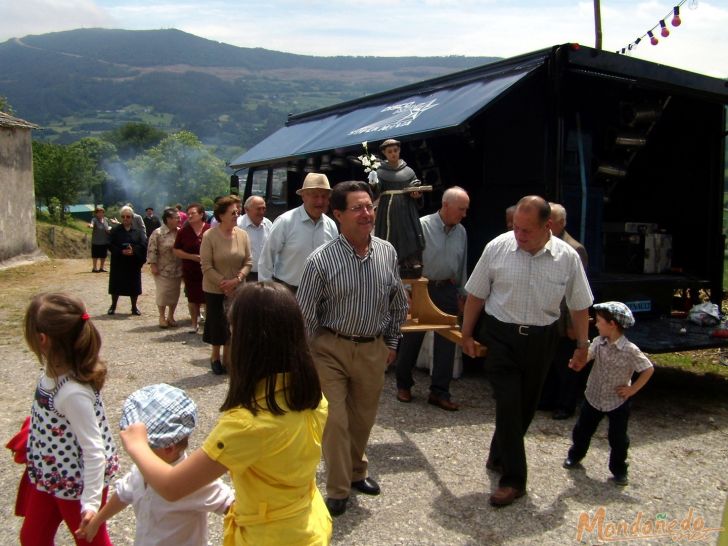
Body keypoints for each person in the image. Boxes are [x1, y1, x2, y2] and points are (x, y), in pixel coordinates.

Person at [118, 283, 332, 545]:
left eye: (233, 330)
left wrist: (137, 445)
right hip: (308, 523)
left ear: (249, 341)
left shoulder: (246, 425)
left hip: (268, 536)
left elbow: (171, 487)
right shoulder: (311, 397)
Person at [460, 195, 593, 507]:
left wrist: (583, 345)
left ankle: (498, 453)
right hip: (500, 336)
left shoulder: (567, 257)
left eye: (526, 230)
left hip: (542, 339)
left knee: (526, 407)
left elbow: (579, 304)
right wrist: (466, 333)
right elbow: (476, 294)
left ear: (548, 227)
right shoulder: (497, 247)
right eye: (515, 227)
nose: (518, 235)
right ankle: (514, 479)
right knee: (508, 402)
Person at [297, 181, 408, 517]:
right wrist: (306, 358)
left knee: (362, 420)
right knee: (335, 420)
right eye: (357, 208)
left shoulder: (387, 252)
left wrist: (391, 342)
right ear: (339, 215)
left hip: (372, 348)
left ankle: (358, 472)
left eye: (369, 207)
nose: (366, 214)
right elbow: (305, 313)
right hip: (329, 349)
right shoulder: (320, 261)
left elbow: (397, 303)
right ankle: (338, 488)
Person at [77, 384, 234, 545]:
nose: (136, 454)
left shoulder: (192, 481)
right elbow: (123, 494)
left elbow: (231, 504)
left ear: (168, 448)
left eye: (142, 447)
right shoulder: (141, 470)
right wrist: (97, 521)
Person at [19, 293, 119, 546]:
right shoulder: (51, 374)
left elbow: (94, 451)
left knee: (90, 541)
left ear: (42, 340)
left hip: (78, 483)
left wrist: (91, 504)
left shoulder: (73, 393)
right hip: (50, 475)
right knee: (33, 537)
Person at [563, 301, 654, 486]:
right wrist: (578, 363)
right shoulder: (598, 342)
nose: (595, 324)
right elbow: (587, 356)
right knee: (582, 430)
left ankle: (619, 469)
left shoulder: (630, 350)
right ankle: (575, 455)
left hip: (617, 401)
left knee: (618, 438)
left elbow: (648, 369)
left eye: (599, 321)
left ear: (612, 324)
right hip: (594, 396)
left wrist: (632, 389)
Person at [395, 186, 470, 410]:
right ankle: (404, 384)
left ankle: (439, 392)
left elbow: (463, 263)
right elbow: (405, 259)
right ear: (445, 205)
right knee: (412, 338)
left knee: (447, 340)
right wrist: (406, 290)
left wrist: (462, 293)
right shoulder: (422, 226)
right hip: (421, 287)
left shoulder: (461, 232)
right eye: (461, 209)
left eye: (466, 209)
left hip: (447, 288)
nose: (464, 214)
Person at [540, 203, 590, 419]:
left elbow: (577, 291)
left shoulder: (575, 249)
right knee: (549, 362)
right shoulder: (543, 242)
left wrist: (572, 324)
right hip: (547, 317)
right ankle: (547, 399)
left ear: (561, 222)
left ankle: (565, 405)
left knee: (566, 365)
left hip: (564, 320)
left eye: (551, 219)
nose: (547, 223)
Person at [258, 173, 338, 292]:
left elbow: (334, 261)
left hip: (320, 293)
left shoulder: (331, 225)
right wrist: (266, 292)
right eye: (315, 196)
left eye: (324, 196)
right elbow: (266, 258)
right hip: (288, 292)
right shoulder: (285, 222)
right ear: (303, 196)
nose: (320, 201)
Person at [200, 195, 252, 375]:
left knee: (235, 324)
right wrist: (224, 284)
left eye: (238, 212)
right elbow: (206, 266)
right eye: (233, 212)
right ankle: (215, 357)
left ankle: (228, 359)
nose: (236, 215)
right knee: (217, 323)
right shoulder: (209, 236)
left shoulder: (243, 235)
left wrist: (237, 280)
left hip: (238, 288)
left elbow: (248, 262)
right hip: (215, 288)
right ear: (221, 215)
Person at [374, 138, 425, 278]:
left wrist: (416, 192)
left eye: (395, 150)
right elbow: (375, 192)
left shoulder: (408, 171)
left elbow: (415, 185)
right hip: (388, 210)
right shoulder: (379, 172)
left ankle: (411, 260)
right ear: (384, 153)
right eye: (389, 151)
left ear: (399, 150)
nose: (393, 154)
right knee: (391, 235)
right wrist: (373, 182)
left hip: (406, 209)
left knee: (409, 232)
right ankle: (391, 261)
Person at [173, 203, 211, 334]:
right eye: (188, 213)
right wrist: (191, 257)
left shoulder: (210, 230)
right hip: (190, 270)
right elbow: (176, 250)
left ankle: (208, 323)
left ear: (201, 214)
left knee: (208, 297)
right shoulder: (183, 231)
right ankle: (194, 324)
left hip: (208, 270)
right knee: (192, 298)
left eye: (192, 213)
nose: (189, 215)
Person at [108, 205, 147, 316]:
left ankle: (134, 307)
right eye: (123, 216)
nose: (125, 219)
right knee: (116, 284)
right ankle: (113, 306)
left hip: (133, 263)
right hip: (118, 262)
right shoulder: (115, 231)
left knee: (133, 285)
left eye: (128, 217)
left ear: (132, 218)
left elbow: (143, 244)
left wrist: (133, 250)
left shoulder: (138, 232)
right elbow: (110, 244)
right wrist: (121, 251)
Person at [147, 207, 183, 328]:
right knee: (163, 293)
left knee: (175, 293)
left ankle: (171, 316)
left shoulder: (180, 232)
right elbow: (152, 249)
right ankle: (161, 316)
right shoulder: (158, 233)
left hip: (178, 268)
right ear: (168, 219)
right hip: (162, 268)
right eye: (176, 217)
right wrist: (153, 265)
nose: (179, 219)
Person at [237, 195, 272, 282]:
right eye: (258, 209)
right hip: (244, 276)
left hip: (265, 275)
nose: (262, 212)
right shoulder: (238, 225)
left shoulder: (268, 224)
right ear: (246, 210)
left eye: (264, 208)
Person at [88, 206, 113, 273]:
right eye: (99, 213)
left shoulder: (106, 220)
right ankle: (94, 268)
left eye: (102, 213)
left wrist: (109, 230)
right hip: (96, 241)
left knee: (103, 255)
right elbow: (92, 225)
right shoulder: (94, 219)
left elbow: (108, 228)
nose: (100, 214)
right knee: (95, 255)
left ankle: (101, 268)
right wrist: (90, 226)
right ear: (96, 214)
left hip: (104, 241)